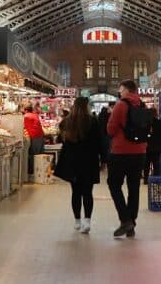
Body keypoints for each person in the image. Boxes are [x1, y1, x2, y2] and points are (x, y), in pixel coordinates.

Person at [106, 80, 150, 238]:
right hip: (140, 152)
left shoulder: (120, 105)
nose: (119, 92)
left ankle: (125, 219)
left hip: (120, 152)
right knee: (133, 188)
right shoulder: (143, 105)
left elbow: (110, 129)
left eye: (120, 89)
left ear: (125, 89)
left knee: (114, 184)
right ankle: (131, 224)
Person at [54, 97, 103, 234]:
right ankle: (87, 220)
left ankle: (77, 220)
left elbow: (61, 139)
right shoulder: (92, 121)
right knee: (88, 192)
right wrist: (103, 159)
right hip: (89, 161)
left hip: (72, 161)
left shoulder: (66, 122)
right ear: (86, 106)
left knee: (75, 192)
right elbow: (99, 142)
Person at [143, 108, 161, 182]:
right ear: (156, 113)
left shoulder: (145, 123)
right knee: (156, 163)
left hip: (147, 146)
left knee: (146, 163)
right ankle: (156, 179)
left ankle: (146, 179)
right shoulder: (159, 122)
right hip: (157, 146)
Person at [23, 105, 45, 176]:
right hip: (40, 136)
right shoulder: (35, 115)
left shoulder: (26, 116)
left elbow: (22, 126)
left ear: (26, 110)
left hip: (35, 136)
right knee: (39, 154)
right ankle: (40, 170)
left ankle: (33, 172)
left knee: (33, 155)